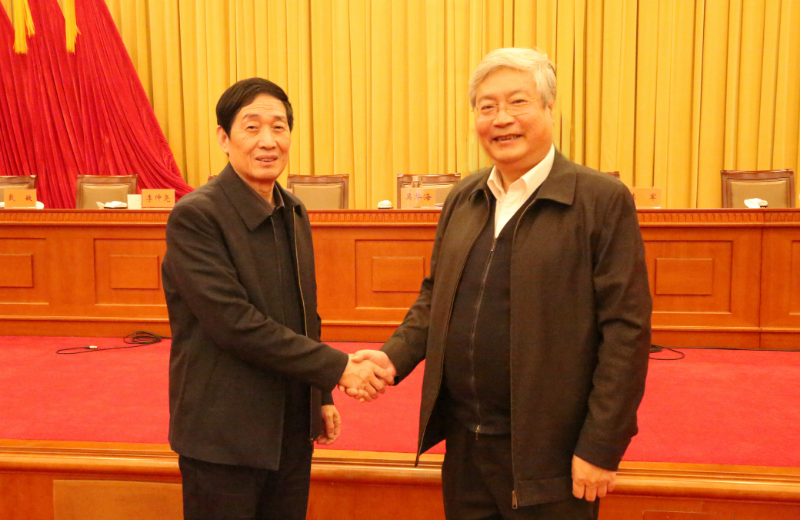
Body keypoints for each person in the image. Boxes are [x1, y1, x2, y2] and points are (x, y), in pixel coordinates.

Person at [352, 48, 652, 519]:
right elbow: (436, 298)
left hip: (551, 454)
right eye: (486, 106)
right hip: (466, 446)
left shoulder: (600, 200)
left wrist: (601, 445)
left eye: (518, 102)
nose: (501, 119)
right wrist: (392, 357)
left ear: (549, 109)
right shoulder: (464, 197)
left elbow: (626, 332)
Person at [162, 77, 393, 520]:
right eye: (252, 128)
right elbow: (235, 324)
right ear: (224, 139)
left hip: (288, 429)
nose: (268, 141)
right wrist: (340, 368)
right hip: (223, 434)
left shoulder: (293, 209)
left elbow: (306, 313)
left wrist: (320, 396)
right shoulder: (196, 216)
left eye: (279, 127)